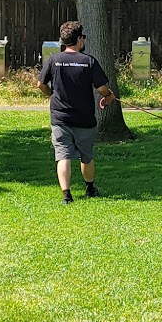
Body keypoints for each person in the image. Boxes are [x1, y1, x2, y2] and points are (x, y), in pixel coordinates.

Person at [39, 21, 115, 203]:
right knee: (86, 156)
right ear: (79, 39)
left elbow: (40, 84)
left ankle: (66, 195)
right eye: (83, 37)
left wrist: (51, 94)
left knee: (62, 156)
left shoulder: (54, 60)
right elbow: (101, 88)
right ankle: (90, 188)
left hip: (60, 117)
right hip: (84, 118)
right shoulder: (88, 61)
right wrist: (109, 96)